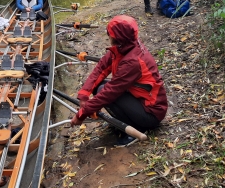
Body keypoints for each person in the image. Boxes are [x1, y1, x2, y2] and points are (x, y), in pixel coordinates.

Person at [70, 15, 168, 146]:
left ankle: (136, 127)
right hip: (138, 98)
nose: (108, 36)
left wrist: (81, 114)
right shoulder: (124, 47)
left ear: (117, 38)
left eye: (109, 34)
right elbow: (101, 67)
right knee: (98, 86)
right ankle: (125, 119)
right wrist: (84, 94)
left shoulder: (132, 61)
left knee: (103, 91)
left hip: (151, 113)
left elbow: (110, 92)